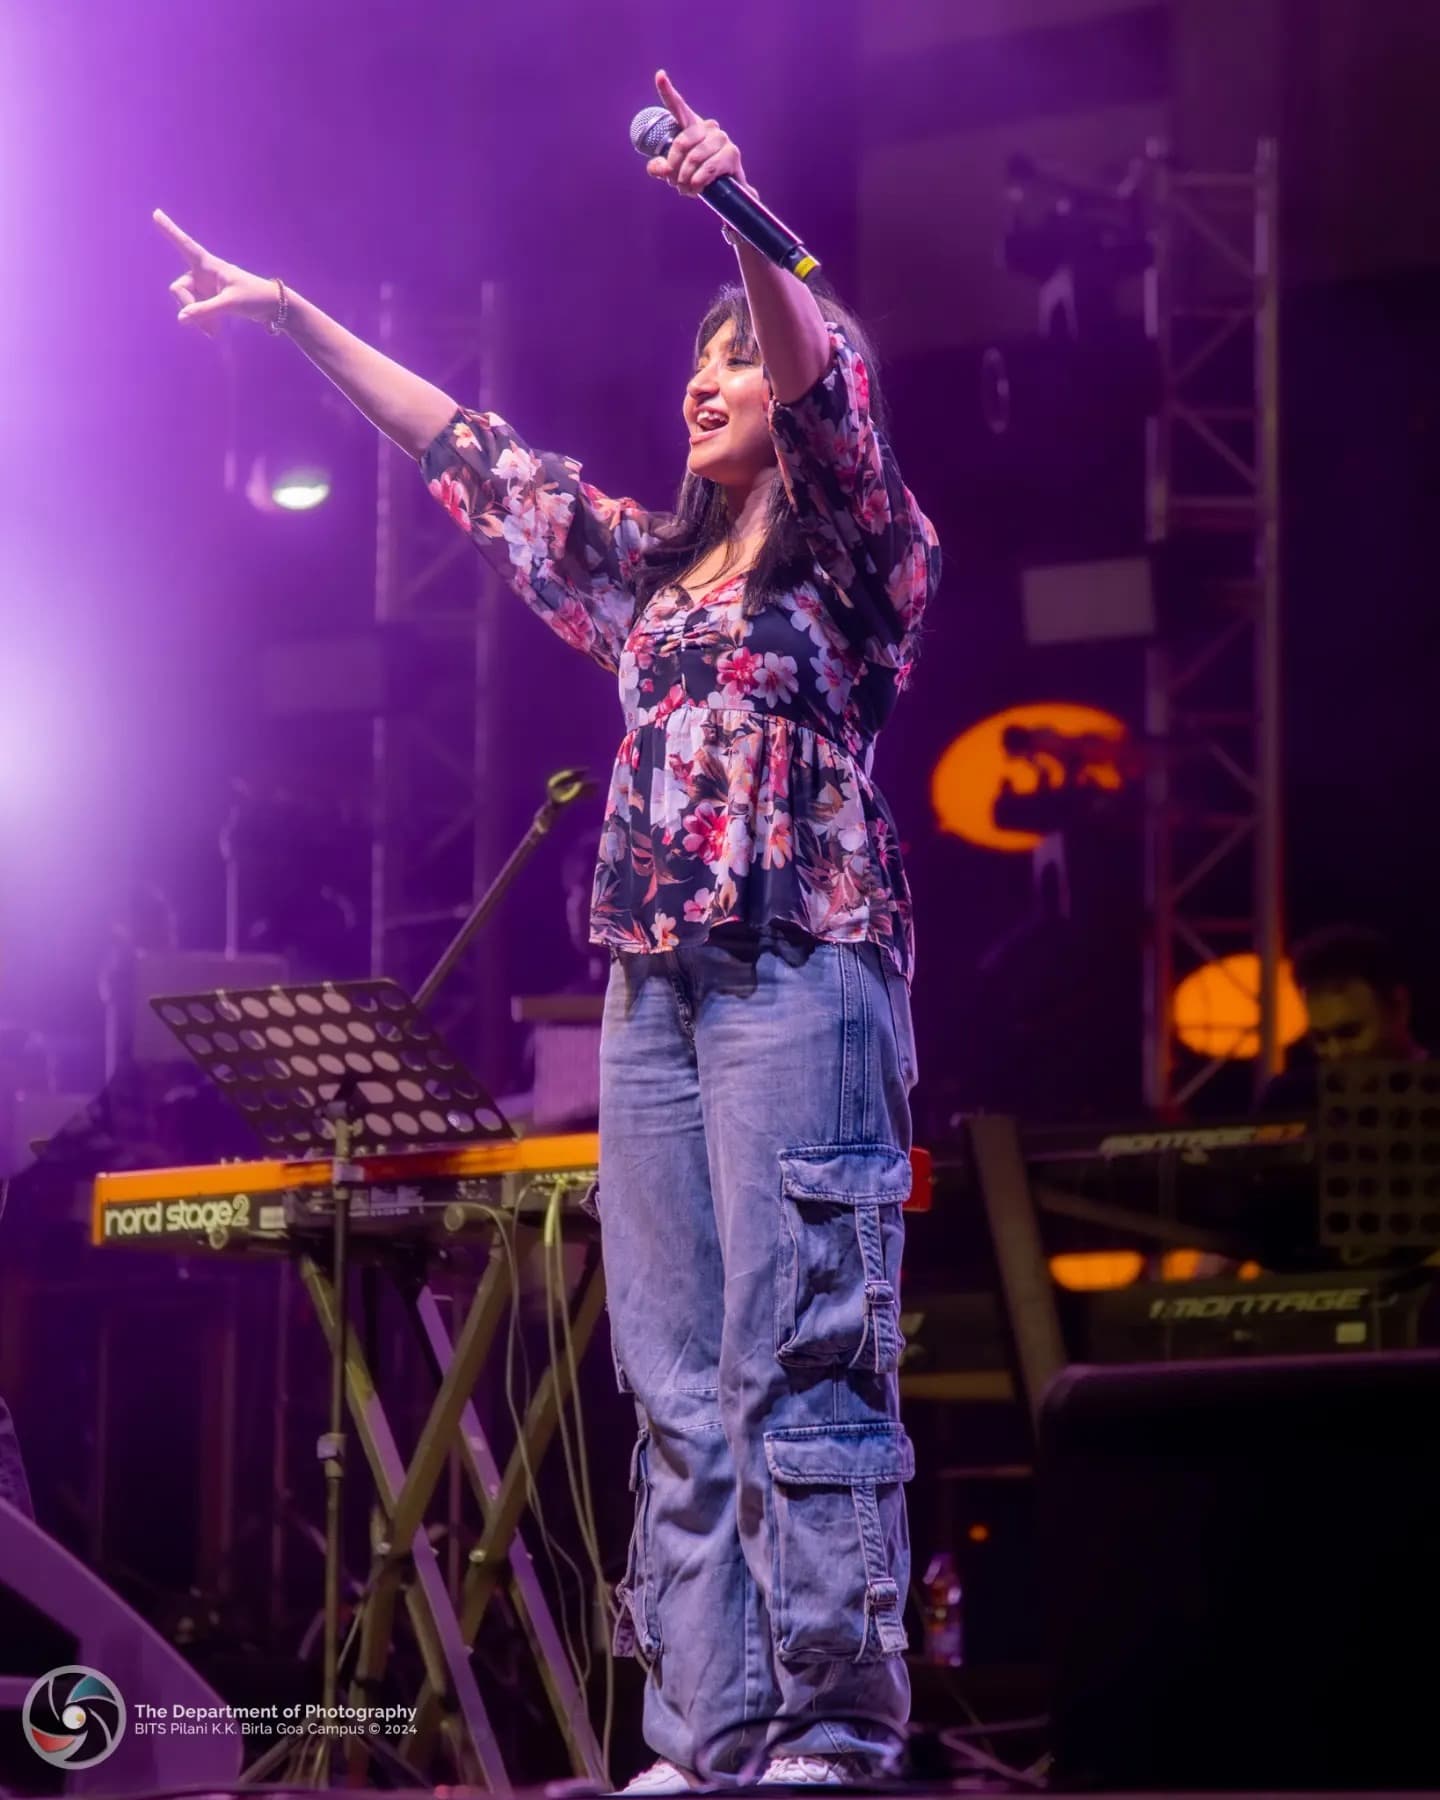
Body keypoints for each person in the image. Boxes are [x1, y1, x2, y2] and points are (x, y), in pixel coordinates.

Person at [156, 68, 938, 1789]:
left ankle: (832, 1722)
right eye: (700, 364)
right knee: (673, 1375)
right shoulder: (646, 587)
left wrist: (739, 219)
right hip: (655, 991)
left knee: (802, 1345)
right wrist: (290, 317)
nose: (705, 378)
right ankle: (708, 1729)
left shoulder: (863, 568)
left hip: (801, 963)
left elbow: (820, 384)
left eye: (735, 358)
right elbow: (467, 454)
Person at [1259, 924, 1427, 1112]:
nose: (1335, 1052)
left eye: (1349, 1033)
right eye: (1320, 1038)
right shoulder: (1288, 1099)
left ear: (1400, 1008)